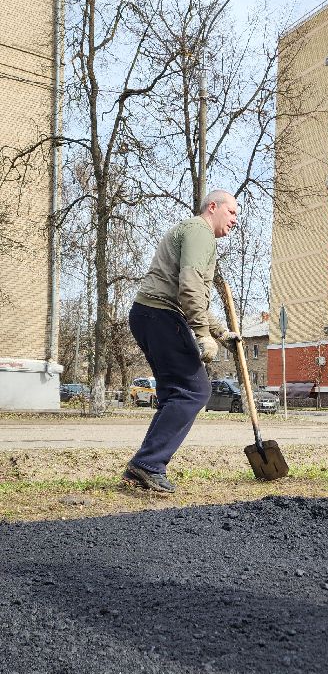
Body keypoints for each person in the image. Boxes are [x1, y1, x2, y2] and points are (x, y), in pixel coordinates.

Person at [123, 190, 240, 494]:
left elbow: (195, 295)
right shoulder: (200, 233)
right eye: (232, 212)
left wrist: (219, 332)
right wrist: (202, 335)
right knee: (195, 390)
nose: (235, 220)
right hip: (160, 315)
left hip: (148, 314)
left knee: (175, 393)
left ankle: (142, 468)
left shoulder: (194, 233)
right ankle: (148, 464)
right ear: (212, 207)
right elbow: (189, 289)